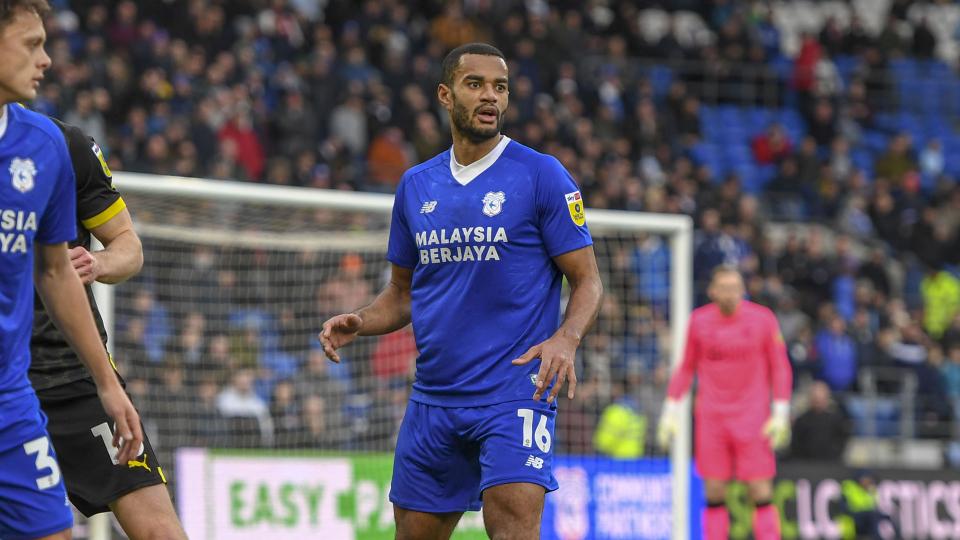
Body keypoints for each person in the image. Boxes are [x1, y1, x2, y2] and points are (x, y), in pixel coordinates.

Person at [320, 42, 603, 540]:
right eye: (476, 84)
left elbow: (588, 280)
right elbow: (402, 293)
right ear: (446, 95)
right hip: (434, 398)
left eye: (500, 87)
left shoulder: (541, 174)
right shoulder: (416, 185)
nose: (490, 96)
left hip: (515, 391)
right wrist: (362, 320)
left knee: (513, 530)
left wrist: (567, 338)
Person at [0, 2, 142, 539]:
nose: (47, 60)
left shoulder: (48, 147)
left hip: (20, 390)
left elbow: (57, 271)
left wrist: (108, 384)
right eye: (31, 44)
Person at [30, 115, 187, 537]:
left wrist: (97, 262)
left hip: (76, 372)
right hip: (11, 382)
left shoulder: (64, 145)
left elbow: (127, 245)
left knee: (160, 531)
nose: (40, 75)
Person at [657, 266, 792, 540]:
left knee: (760, 490)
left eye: (735, 288)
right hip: (712, 419)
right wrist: (670, 410)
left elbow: (780, 367)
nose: (731, 294)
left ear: (743, 290)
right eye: (725, 288)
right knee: (715, 491)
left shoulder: (763, 319)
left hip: (753, 419)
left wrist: (780, 412)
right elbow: (686, 368)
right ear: (712, 291)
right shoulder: (699, 321)